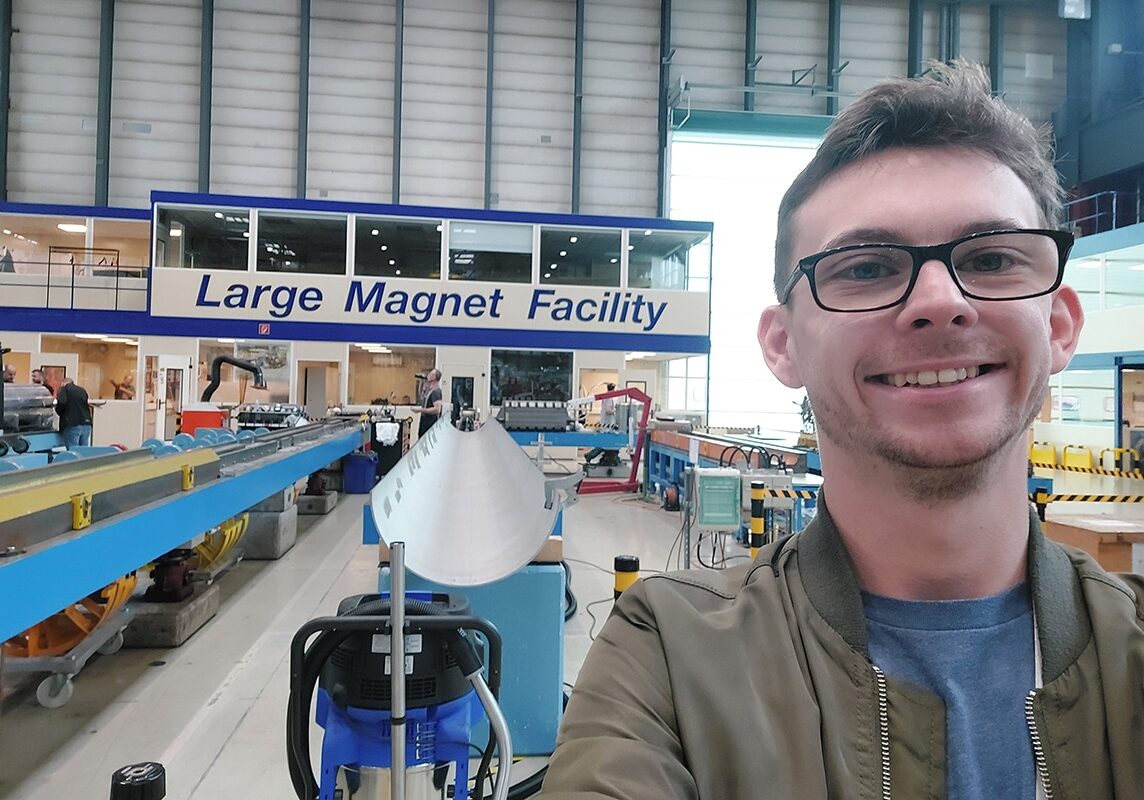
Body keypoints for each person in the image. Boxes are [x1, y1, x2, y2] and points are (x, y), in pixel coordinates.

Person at [540, 61, 1144, 799]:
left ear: (1059, 323)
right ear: (781, 343)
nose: (938, 301)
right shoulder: (668, 658)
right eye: (864, 268)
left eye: (991, 259)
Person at [56, 377, 93, 448]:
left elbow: (62, 403)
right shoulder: (82, 390)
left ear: (63, 383)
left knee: (73, 450)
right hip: (86, 423)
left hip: (72, 423)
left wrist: (60, 412)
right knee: (84, 451)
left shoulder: (65, 389)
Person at [415, 369, 443, 438]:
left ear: (434, 377)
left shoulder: (436, 391)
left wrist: (421, 410)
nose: (428, 375)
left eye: (430, 374)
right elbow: (421, 394)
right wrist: (422, 382)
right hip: (424, 423)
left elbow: (437, 409)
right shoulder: (429, 390)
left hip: (430, 424)